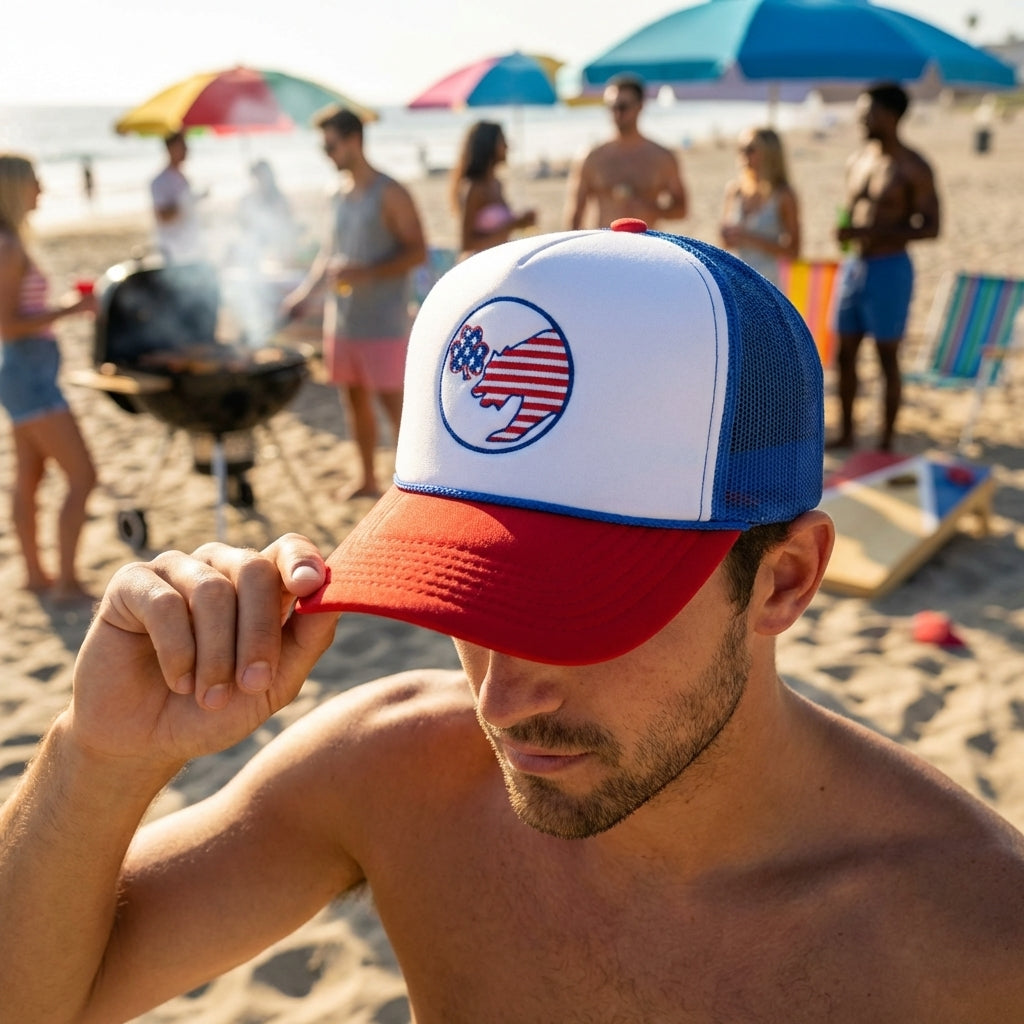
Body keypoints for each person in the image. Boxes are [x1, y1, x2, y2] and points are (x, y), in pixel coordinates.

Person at [3, 224, 1024, 1023]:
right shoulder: (394, 772)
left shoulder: (975, 945)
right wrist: (97, 758)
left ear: (783, 580)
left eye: (581, 614)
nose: (501, 696)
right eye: (470, 599)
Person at [282, 106, 426, 499]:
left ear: (354, 140)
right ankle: (367, 478)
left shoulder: (390, 191)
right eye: (323, 145)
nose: (326, 153)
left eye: (330, 144)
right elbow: (329, 254)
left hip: (384, 320)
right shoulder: (337, 194)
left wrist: (368, 272)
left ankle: (416, 485)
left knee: (395, 406)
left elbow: (418, 251)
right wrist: (303, 296)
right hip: (342, 320)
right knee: (353, 400)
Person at [0, 154, 97, 602]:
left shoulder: (9, 242)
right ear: (16, 189)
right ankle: (67, 582)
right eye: (35, 182)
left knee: (30, 477)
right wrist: (72, 309)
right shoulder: (7, 247)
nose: (41, 189)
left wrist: (56, 309)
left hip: (25, 371)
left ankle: (37, 576)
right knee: (83, 476)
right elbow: (7, 324)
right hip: (29, 375)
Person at [831, 81, 940, 451]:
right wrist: (848, 232)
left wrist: (874, 230)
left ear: (891, 116)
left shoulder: (913, 166)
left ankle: (885, 442)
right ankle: (846, 433)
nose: (862, 119)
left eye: (869, 112)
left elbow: (932, 226)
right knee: (843, 353)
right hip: (854, 265)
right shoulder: (858, 159)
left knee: (886, 356)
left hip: (890, 267)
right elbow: (854, 211)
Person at [566, 74, 688, 229]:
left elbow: (682, 209)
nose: (616, 114)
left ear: (640, 106)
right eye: (611, 107)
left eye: (622, 107)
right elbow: (575, 214)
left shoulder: (662, 157)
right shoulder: (591, 157)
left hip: (648, 248)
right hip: (604, 248)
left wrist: (652, 209)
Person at [719, 126, 800, 286]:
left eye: (750, 149)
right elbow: (725, 244)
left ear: (769, 154)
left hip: (767, 285)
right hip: (735, 281)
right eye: (740, 149)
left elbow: (794, 251)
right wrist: (727, 236)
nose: (743, 155)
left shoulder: (783, 195)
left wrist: (748, 238)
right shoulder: (734, 191)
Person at [450, 120, 536, 259]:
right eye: (503, 141)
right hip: (480, 263)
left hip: (498, 258)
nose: (508, 146)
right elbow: (466, 244)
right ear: (488, 145)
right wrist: (511, 226)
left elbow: (501, 228)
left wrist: (521, 222)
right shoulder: (473, 188)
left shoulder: (496, 183)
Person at [149, 130, 207, 264]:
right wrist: (187, 204)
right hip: (172, 249)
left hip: (190, 246)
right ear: (170, 148)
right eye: (183, 145)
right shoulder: (159, 181)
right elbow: (163, 217)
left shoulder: (183, 178)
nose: (187, 149)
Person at [235, 158, 298, 266]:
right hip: (254, 252)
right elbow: (243, 227)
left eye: (262, 176)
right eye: (257, 177)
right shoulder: (247, 200)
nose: (260, 180)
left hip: (279, 252)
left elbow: (288, 228)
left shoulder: (280, 200)